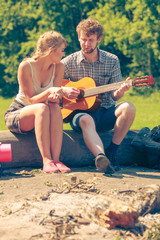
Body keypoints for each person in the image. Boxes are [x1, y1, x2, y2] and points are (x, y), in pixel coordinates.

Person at [61, 18, 136, 173]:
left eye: (91, 40)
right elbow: (54, 85)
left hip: (105, 112)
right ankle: (102, 158)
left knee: (129, 107)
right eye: (83, 40)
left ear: (99, 39)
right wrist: (66, 91)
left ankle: (112, 151)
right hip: (80, 114)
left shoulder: (112, 60)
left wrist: (120, 91)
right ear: (78, 37)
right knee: (86, 119)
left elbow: (115, 97)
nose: (86, 44)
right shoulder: (68, 62)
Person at [4, 31, 80, 173]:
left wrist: (57, 94)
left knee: (55, 108)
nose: (64, 54)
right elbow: (31, 100)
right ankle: (47, 161)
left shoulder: (59, 67)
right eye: (62, 51)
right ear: (51, 50)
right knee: (41, 108)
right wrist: (53, 90)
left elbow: (54, 99)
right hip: (19, 112)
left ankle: (56, 160)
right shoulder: (26, 67)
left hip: (44, 113)